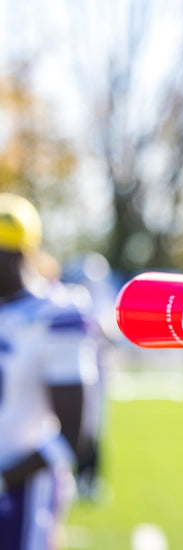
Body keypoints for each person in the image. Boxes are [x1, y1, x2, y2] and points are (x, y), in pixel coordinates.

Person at [0, 193, 102, 549]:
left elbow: (75, 435)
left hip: (24, 494)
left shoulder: (55, 314)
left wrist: (3, 478)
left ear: (16, 257)